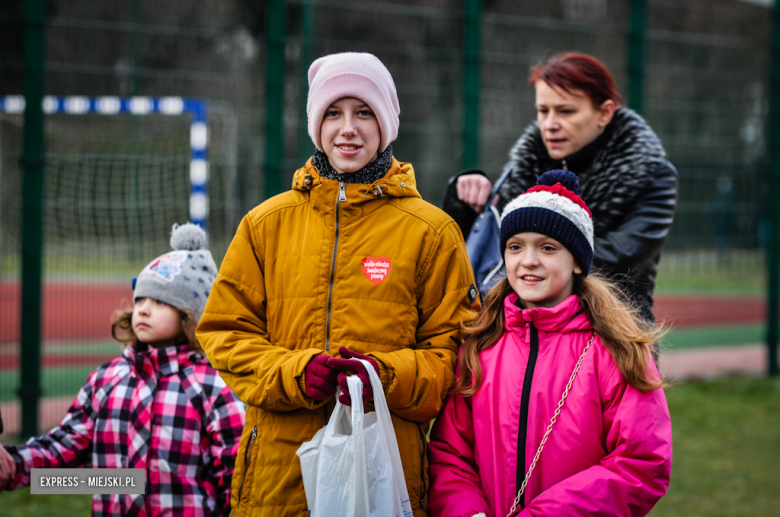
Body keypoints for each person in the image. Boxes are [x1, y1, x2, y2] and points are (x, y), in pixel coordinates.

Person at [196, 52, 478, 517]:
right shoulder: (265, 224)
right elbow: (225, 333)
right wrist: (296, 373)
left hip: (383, 474)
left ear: (386, 122)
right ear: (315, 123)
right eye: (333, 112)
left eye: (363, 112)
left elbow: (456, 357)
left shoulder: (433, 232)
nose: (348, 128)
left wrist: (383, 378)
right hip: (276, 479)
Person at [428, 170, 672, 517]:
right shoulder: (479, 345)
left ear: (576, 261)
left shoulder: (617, 350)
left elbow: (640, 463)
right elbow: (450, 455)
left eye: (547, 247)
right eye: (515, 247)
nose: (528, 260)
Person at [0, 223, 246, 517]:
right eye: (140, 299)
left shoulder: (213, 387)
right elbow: (69, 447)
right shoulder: (107, 379)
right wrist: (13, 465)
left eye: (160, 302)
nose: (143, 309)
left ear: (192, 316)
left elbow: (236, 479)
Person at [443, 52, 677, 322]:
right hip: (522, 336)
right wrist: (465, 199)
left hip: (611, 337)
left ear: (604, 113)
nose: (550, 124)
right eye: (543, 111)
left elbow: (620, 260)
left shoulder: (651, 174)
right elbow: (482, 248)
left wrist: (527, 253)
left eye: (566, 111)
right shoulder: (522, 169)